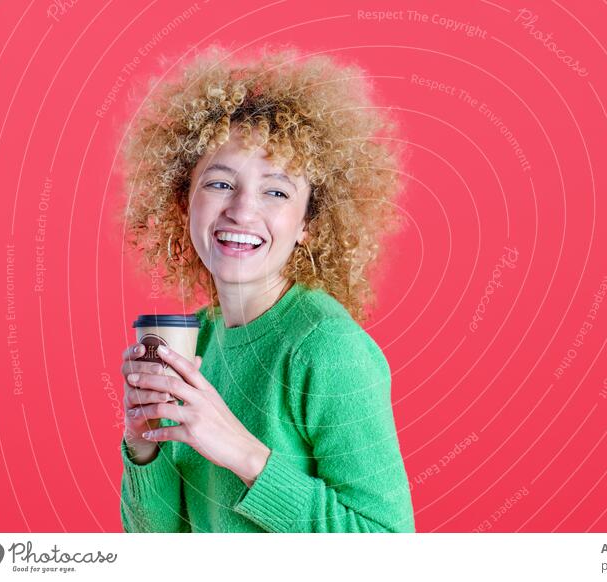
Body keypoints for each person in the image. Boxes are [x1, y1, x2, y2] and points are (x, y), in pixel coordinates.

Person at [116, 44, 414, 533]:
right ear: (183, 201)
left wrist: (245, 454)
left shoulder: (325, 348)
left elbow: (387, 546)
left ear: (308, 225)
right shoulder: (201, 341)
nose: (242, 211)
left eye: (276, 191)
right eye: (219, 184)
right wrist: (144, 443)